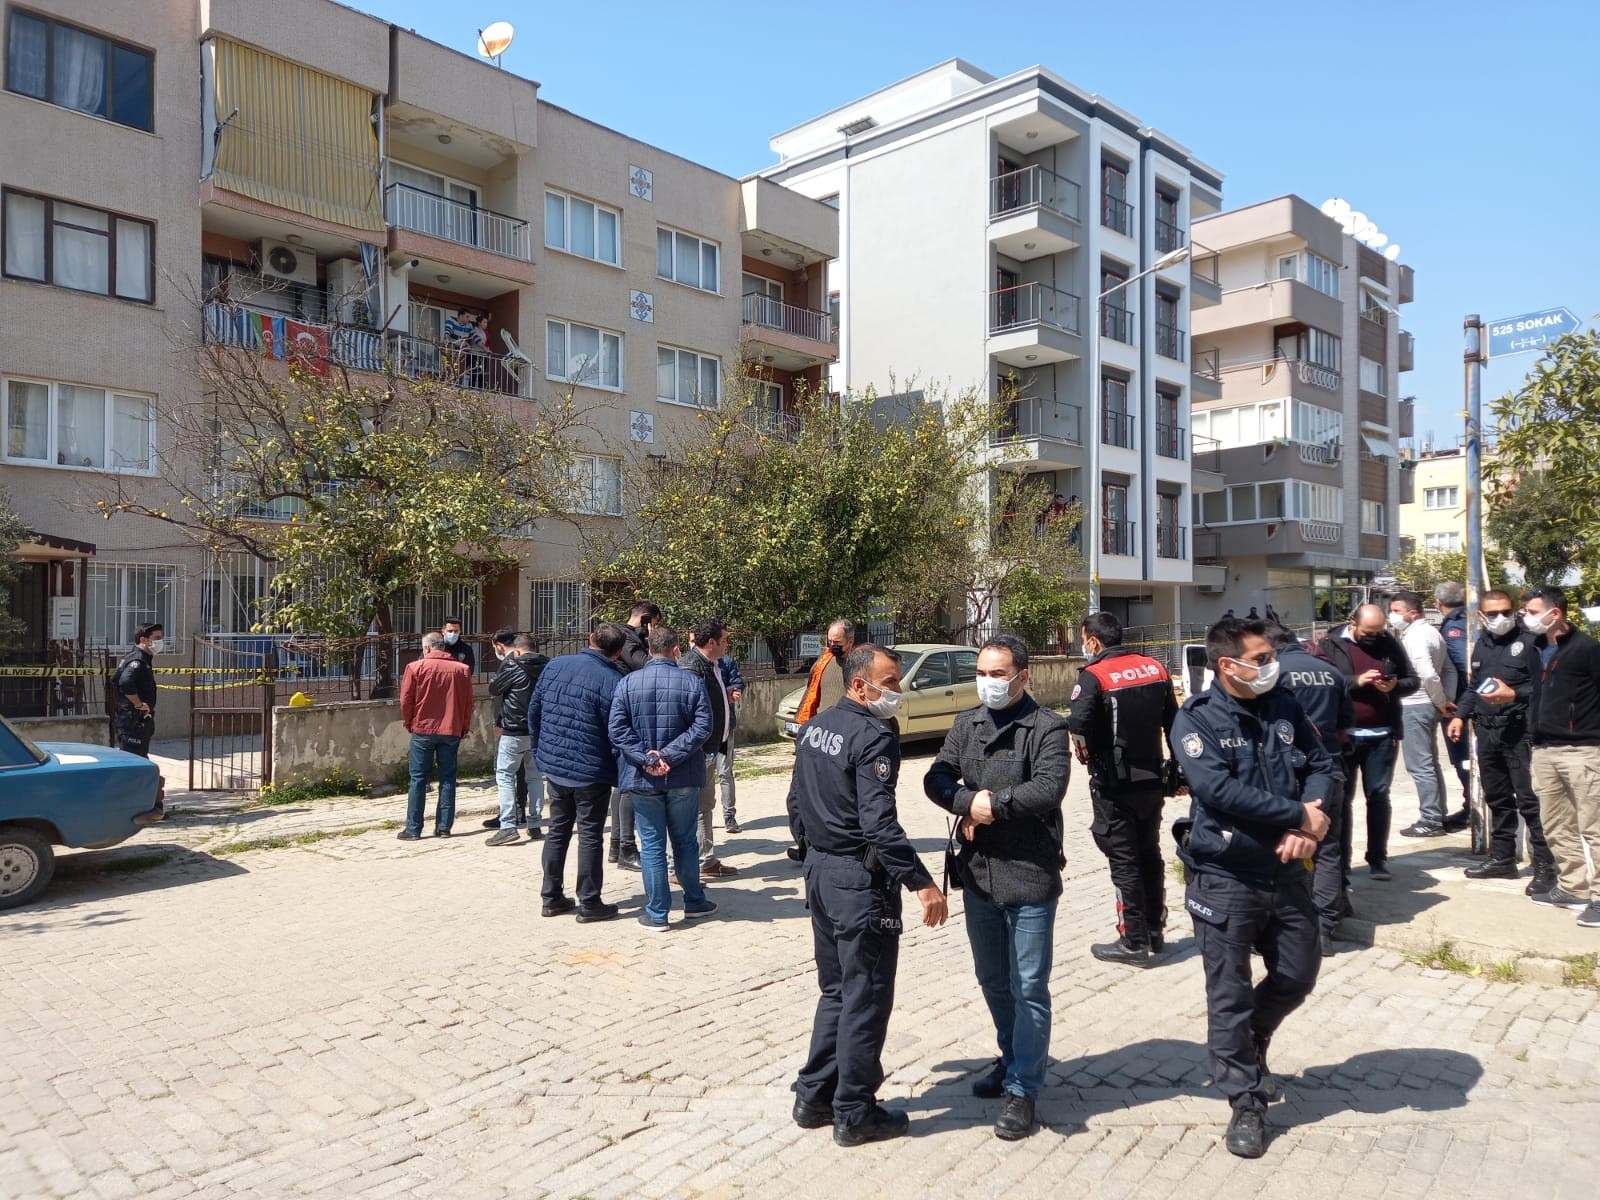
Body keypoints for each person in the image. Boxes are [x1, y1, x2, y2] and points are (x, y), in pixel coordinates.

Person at [1172, 617, 1335, 1159]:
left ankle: (1254, 1041)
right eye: (1261, 658)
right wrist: (1298, 815)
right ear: (1228, 665)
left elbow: (1322, 764)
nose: (1272, 666)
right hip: (1226, 874)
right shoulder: (1195, 719)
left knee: (1297, 974)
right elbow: (1216, 790)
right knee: (1230, 993)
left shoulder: (1284, 703)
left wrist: (1307, 819)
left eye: (1270, 657)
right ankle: (1246, 1102)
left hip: (1287, 871)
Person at [788, 645, 947, 1147]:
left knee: (836, 990)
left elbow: (795, 802)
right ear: (860, 686)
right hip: (858, 883)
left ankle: (814, 1095)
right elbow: (879, 823)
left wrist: (811, 850)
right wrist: (920, 881)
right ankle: (854, 1110)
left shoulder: (815, 726)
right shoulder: (873, 734)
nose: (898, 691)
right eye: (891, 681)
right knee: (865, 997)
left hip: (820, 874)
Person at [924, 635, 1069, 1140]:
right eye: (982, 672)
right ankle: (1010, 1057)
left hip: (1029, 875)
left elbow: (1049, 788)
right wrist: (965, 803)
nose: (988, 681)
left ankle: (1024, 1088)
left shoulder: (1047, 727)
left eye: (999, 673)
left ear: (1023, 676)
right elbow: (936, 778)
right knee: (993, 978)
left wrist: (992, 805)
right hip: (980, 874)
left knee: (1029, 986)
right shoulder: (967, 724)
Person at [1067, 611, 1179, 966]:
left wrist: (1087, 758)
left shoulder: (1094, 675)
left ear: (1093, 641)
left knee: (1124, 860)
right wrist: (1178, 771)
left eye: (1083, 640)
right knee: (1150, 853)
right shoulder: (1155, 668)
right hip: (1152, 780)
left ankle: (1133, 941)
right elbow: (1175, 722)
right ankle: (1154, 929)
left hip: (1114, 784)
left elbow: (1079, 726)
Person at [607, 625, 717, 930]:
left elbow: (617, 730)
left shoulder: (628, 683)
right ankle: (693, 901)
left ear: (649, 648)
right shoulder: (692, 682)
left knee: (653, 845)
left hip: (643, 778)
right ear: (676, 649)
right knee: (685, 842)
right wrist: (664, 756)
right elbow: (703, 727)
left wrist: (649, 757)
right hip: (681, 775)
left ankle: (658, 913)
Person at [1446, 590, 1554, 894]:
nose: (1500, 619)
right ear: (1481, 616)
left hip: (1520, 732)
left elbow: (1544, 688)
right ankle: (1502, 858)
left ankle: (1545, 865)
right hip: (1487, 731)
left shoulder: (1532, 643)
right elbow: (1474, 687)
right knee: (1497, 798)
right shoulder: (1481, 645)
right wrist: (1460, 716)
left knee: (1529, 801)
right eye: (1492, 614)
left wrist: (1515, 695)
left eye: (1506, 612)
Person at [529, 623, 628, 922]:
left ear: (590, 640)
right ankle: (589, 902)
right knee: (589, 836)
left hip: (557, 767)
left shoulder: (556, 664)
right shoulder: (614, 680)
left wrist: (540, 752)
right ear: (619, 651)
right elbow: (618, 732)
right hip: (591, 772)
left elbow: (534, 711)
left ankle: (551, 896)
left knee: (557, 831)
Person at [1312, 605, 1418, 881]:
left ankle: (1377, 859)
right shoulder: (1329, 644)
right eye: (1369, 632)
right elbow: (1324, 681)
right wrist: (1356, 681)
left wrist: (1394, 687)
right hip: (1344, 735)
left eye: (1379, 632)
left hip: (1382, 735)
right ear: (1353, 624)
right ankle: (1341, 864)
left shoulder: (1389, 643)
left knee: (1379, 796)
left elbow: (1412, 681)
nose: (1374, 637)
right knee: (1341, 800)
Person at [1268, 622, 1353, 956]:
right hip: (1330, 767)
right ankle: (1326, 928)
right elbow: (1347, 721)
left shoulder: (1276, 672)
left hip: (1290, 773)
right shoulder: (1329, 671)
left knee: (1287, 846)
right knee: (1328, 848)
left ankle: (1292, 924)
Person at [1522, 587, 1600, 923]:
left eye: (1532, 610)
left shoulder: (1586, 649)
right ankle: (1574, 885)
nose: (1526, 616)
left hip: (1583, 749)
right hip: (1544, 748)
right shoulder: (1537, 648)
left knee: (1594, 826)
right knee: (1556, 823)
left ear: (1555, 614)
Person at [1389, 590, 1459, 838]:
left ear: (1413, 613)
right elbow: (1450, 669)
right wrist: (1445, 700)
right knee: (1430, 763)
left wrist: (1441, 701)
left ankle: (1430, 819)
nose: (1392, 616)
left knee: (1420, 765)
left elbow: (1427, 674)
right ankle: (1437, 814)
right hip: (1428, 705)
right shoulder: (1432, 633)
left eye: (1397, 611)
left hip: (1416, 705)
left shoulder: (1417, 637)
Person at [398, 631, 474, 840]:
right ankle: (443, 827)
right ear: (444, 647)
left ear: (426, 648)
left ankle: (413, 829)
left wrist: (409, 722)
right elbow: (468, 703)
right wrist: (464, 727)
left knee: (418, 780)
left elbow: (406, 700)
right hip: (451, 730)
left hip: (422, 729)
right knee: (448, 778)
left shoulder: (415, 667)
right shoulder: (462, 670)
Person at [680, 618, 739, 879]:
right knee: (688, 809)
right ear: (712, 642)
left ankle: (707, 860)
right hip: (698, 751)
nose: (727, 644)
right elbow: (688, 712)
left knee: (705, 805)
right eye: (725, 639)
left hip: (712, 748)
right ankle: (679, 866)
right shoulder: (692, 667)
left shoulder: (713, 664)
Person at [609, 600, 660, 871]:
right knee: (628, 783)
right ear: (645, 619)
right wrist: (653, 640)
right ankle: (625, 847)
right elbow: (647, 665)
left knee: (622, 784)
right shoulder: (627, 639)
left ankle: (618, 844)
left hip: (626, 709)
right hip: (628, 713)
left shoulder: (626, 637)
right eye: (654, 623)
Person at [487, 632, 549, 847]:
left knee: (504, 776)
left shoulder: (513, 666)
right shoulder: (547, 667)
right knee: (535, 778)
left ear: (519, 650)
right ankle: (535, 823)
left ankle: (507, 826)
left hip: (513, 731)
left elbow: (494, 688)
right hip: (537, 731)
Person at [1435, 582, 1473, 830]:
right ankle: (1471, 804)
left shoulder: (1454, 626)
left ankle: (1473, 807)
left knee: (1463, 758)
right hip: (1466, 701)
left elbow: (1463, 666)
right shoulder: (1467, 617)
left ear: (1438, 603)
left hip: (1460, 703)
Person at [113, 623, 162, 758]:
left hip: (136, 721)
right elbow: (125, 682)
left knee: (138, 759)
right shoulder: (138, 659)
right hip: (132, 722)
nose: (160, 642)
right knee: (133, 762)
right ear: (143, 640)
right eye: (156, 638)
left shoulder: (140, 658)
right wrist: (139, 705)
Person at [795, 619, 858, 725]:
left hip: (847, 727)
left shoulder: (860, 665)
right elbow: (810, 693)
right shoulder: (822, 663)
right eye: (830, 641)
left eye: (837, 642)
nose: (833, 645)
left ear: (850, 641)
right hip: (822, 726)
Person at [717, 652, 747, 833]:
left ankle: (729, 816)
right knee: (701, 776)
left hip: (724, 728)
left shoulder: (725, 661)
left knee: (724, 772)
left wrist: (732, 692)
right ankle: (699, 817)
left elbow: (737, 683)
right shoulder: (691, 663)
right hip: (701, 731)